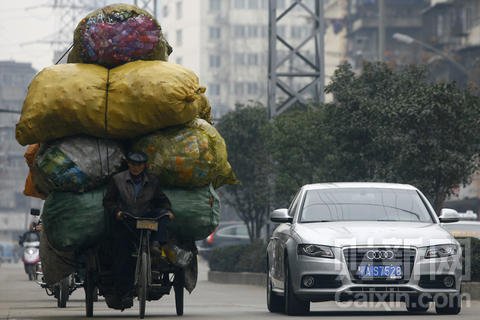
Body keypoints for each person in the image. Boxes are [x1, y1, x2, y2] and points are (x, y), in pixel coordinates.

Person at [103, 151, 192, 309]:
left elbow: (162, 200)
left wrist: (168, 210)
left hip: (146, 218)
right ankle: (124, 294)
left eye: (139, 165)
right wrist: (117, 212)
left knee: (163, 216)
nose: (136, 168)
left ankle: (157, 244)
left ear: (144, 166)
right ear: (128, 164)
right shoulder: (117, 180)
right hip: (126, 220)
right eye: (133, 164)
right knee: (122, 254)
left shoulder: (153, 181)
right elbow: (108, 201)